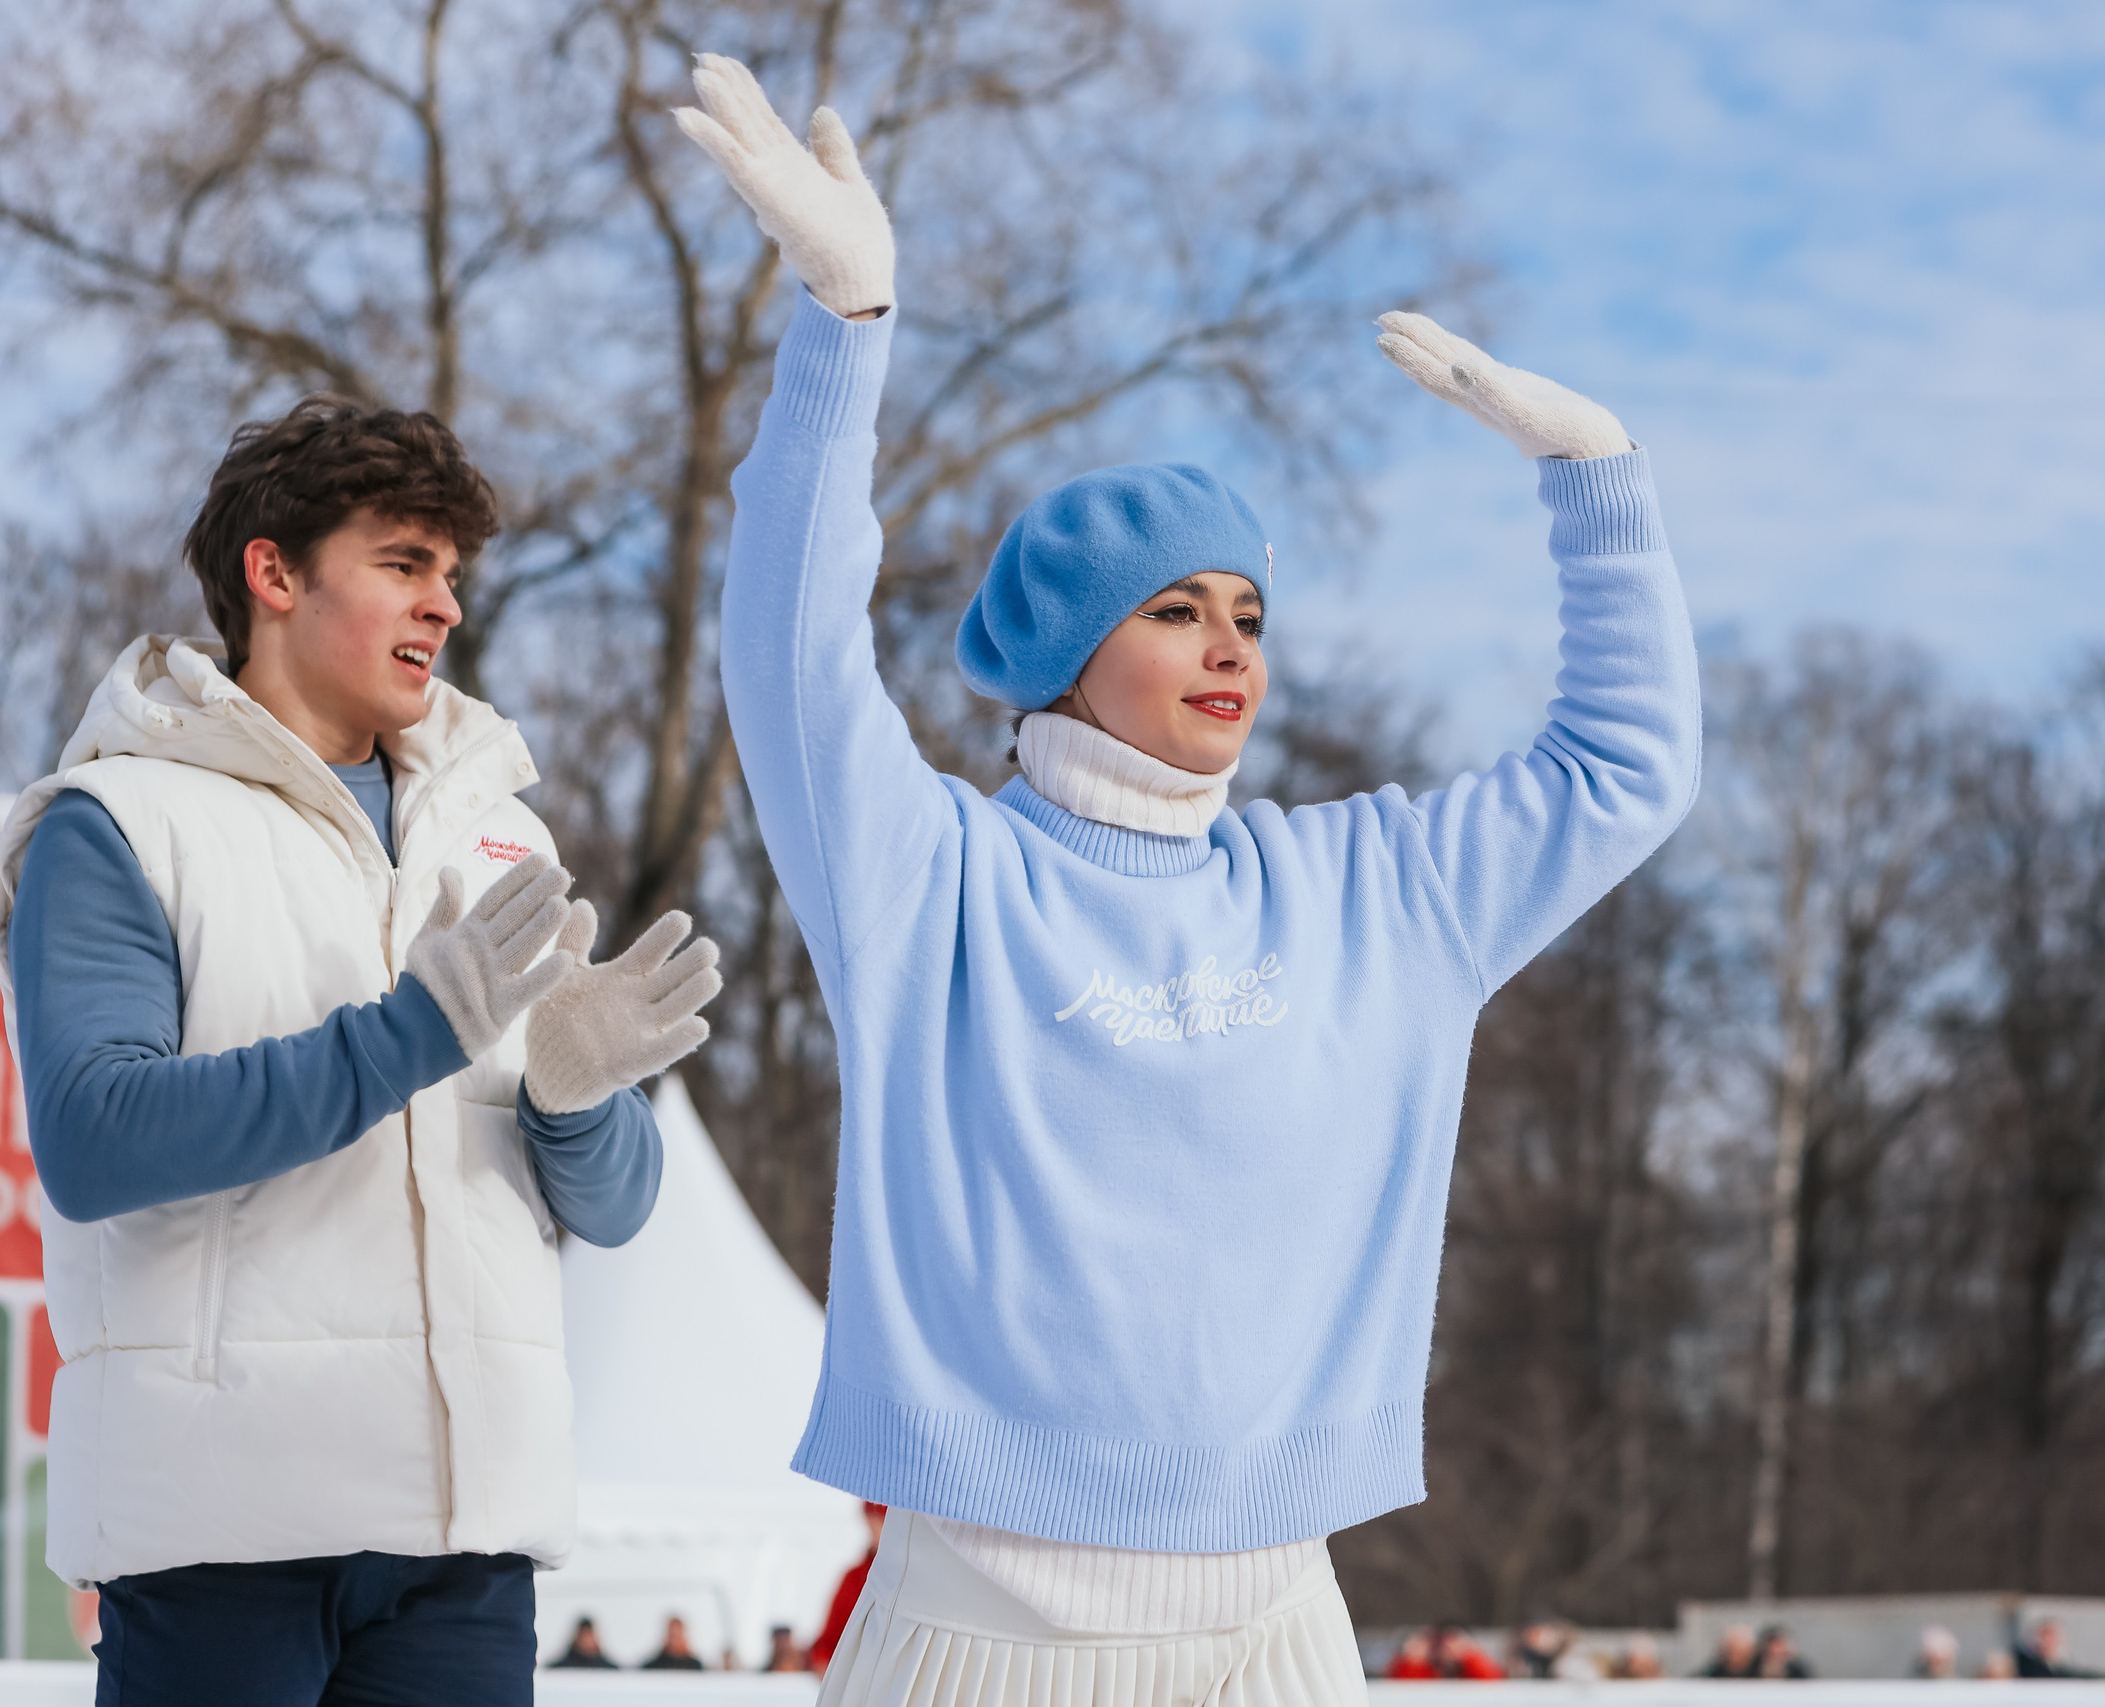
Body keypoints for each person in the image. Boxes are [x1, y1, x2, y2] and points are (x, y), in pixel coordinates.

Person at [674, 45, 1697, 1707]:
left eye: (1251, 613)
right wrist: (841, 336)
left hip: (1275, 1626)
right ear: (1073, 649)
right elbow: (792, 663)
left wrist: (1598, 485)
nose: (1230, 644)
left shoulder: (1373, 893)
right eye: (1174, 609)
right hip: (981, 1624)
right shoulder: (932, 877)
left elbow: (1624, 771)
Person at [0, 397, 724, 1707]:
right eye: (402, 561)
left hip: (466, 1536)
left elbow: (611, 1211)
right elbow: (97, 1138)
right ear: (273, 571)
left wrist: (575, 1098)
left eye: (452, 572)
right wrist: (413, 1034)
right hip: (224, 1527)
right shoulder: (116, 823)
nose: (443, 603)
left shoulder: (500, 837)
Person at [809, 1503, 887, 1673]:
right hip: (857, 1681)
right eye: (870, 1520)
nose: (872, 1528)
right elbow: (828, 1642)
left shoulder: (916, 1580)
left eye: (880, 1521)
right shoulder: (854, 1578)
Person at [2016, 1617, 2098, 1678]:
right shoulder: (2022, 1665)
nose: (2045, 1642)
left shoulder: (2059, 1667)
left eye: (2050, 1637)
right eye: (2042, 1636)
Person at [546, 1618, 620, 1670]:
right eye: (583, 1636)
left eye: (589, 1636)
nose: (586, 1640)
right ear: (576, 1637)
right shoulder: (559, 1669)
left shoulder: (610, 1670)